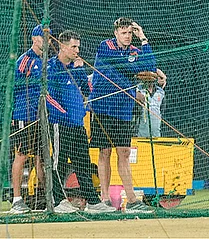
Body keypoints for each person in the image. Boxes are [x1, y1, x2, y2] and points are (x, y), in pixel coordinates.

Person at [89, 17, 155, 214]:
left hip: (124, 110)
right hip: (103, 107)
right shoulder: (105, 46)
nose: (127, 36)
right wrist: (134, 79)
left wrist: (143, 38)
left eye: (130, 33)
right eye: (124, 33)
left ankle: (133, 200)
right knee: (104, 153)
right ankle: (105, 199)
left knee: (124, 152)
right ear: (116, 33)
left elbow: (150, 67)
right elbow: (120, 68)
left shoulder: (135, 50)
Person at [46, 31, 116, 214]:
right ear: (62, 46)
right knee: (59, 162)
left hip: (78, 124)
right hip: (60, 125)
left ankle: (92, 202)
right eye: (73, 47)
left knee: (83, 162)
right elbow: (48, 97)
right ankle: (58, 200)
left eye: (78, 47)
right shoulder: (52, 67)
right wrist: (64, 114)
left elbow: (86, 90)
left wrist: (80, 70)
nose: (77, 50)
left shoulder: (76, 68)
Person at [9, 25, 45, 214]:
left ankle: (47, 197)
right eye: (42, 36)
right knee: (22, 156)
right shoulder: (26, 60)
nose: (46, 39)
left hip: (42, 117)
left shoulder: (46, 60)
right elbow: (15, 85)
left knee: (42, 157)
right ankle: (16, 199)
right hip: (25, 115)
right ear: (34, 38)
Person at [136, 68, 167, 138]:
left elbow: (162, 108)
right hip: (141, 127)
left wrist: (163, 78)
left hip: (156, 127)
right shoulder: (138, 90)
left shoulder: (161, 92)